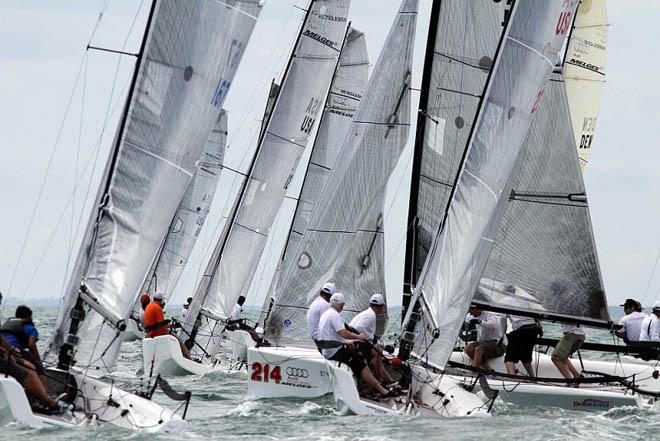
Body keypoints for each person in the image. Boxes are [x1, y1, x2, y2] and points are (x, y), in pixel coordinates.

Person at [317, 293, 397, 398]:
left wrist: (346, 343)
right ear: (342, 305)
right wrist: (359, 337)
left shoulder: (327, 314)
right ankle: (382, 390)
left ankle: (373, 385)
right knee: (361, 364)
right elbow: (343, 333)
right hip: (333, 352)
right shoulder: (334, 315)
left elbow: (334, 335)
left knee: (361, 355)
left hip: (329, 349)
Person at [0, 334, 67, 413]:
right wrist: (9, 350)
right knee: (29, 374)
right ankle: (49, 402)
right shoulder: (31, 329)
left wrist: (6, 351)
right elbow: (31, 344)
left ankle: (34, 399)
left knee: (30, 366)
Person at [348, 293, 397, 386]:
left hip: (353, 342)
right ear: (381, 306)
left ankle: (383, 379)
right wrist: (372, 337)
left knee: (378, 349)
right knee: (378, 351)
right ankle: (382, 380)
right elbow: (358, 328)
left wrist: (373, 338)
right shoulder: (371, 315)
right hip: (356, 344)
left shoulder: (367, 313)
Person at [1, 305, 47, 388]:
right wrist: (38, 360)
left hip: (2, 349)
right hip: (14, 349)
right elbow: (31, 345)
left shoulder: (8, 323)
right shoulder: (31, 328)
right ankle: (45, 392)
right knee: (39, 367)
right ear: (29, 317)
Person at [144, 292, 193, 360]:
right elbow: (163, 325)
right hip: (159, 332)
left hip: (149, 333)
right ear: (161, 300)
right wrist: (174, 326)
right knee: (178, 340)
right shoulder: (157, 308)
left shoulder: (148, 306)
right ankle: (189, 358)